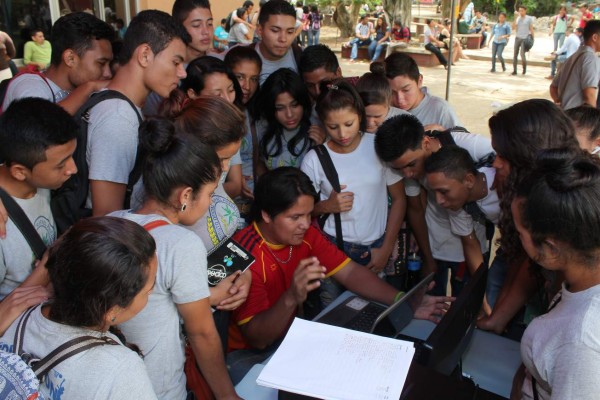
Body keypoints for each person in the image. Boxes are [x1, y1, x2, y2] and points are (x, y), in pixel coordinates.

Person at [227, 167, 452, 382]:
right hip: (248, 355)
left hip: (290, 337)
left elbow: (350, 272)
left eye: (308, 214)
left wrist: (403, 301)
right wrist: (291, 297)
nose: (305, 224)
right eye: (295, 217)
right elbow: (257, 339)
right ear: (266, 215)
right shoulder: (243, 254)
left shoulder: (305, 234)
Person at [110, 118, 242, 399]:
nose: (209, 204)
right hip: (158, 387)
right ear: (185, 195)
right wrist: (228, 395)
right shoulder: (181, 244)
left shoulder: (111, 222)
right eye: (208, 193)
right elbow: (202, 334)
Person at [0, 216, 159, 399]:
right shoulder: (121, 370)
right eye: (148, 289)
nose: (152, 291)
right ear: (111, 311)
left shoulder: (14, 312)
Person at [476, 99, 579, 334]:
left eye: (503, 155)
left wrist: (498, 318)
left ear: (527, 156)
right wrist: (497, 316)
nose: (496, 163)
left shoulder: (557, 205)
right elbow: (523, 258)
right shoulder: (534, 193)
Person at [301, 80, 405, 305]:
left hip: (376, 248)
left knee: (372, 314)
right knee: (333, 317)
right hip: (333, 250)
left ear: (360, 114)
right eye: (332, 127)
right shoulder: (314, 159)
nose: (342, 133)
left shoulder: (378, 145)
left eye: (349, 123)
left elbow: (398, 199)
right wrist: (326, 206)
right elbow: (300, 212)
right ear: (322, 123)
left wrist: (386, 247)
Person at [510, 149, 600, 400]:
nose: (520, 242)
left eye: (520, 234)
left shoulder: (581, 345)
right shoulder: (581, 282)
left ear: (550, 249)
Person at [374, 114, 493, 296]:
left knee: (465, 302)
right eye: (399, 169)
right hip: (435, 247)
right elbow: (416, 210)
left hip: (472, 246)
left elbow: (507, 157)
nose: (407, 174)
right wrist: (428, 256)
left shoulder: (467, 144)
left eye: (411, 164)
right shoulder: (409, 170)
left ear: (426, 143)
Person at [85, 10, 189, 218]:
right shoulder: (118, 117)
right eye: (175, 62)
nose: (182, 73)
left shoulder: (120, 107)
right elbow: (107, 215)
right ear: (144, 55)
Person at [0, 98, 77, 300]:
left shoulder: (39, 184)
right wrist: (47, 268)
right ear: (19, 172)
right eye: (60, 165)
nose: (73, 169)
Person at [2, 13, 115, 115]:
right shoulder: (29, 86)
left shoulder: (78, 91)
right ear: (70, 58)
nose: (108, 73)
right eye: (101, 63)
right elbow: (40, 131)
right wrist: (90, 87)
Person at [177, 56, 244, 199]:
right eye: (217, 94)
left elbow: (236, 185)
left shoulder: (230, 128)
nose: (227, 100)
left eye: (231, 90)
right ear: (192, 94)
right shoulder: (186, 135)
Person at [254, 68, 323, 171]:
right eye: (280, 108)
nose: (289, 114)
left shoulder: (317, 129)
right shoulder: (262, 128)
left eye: (295, 105)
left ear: (303, 102)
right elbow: (259, 165)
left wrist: (321, 147)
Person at [377, 52, 461, 127]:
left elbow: (461, 141)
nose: (400, 100)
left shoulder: (441, 110)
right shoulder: (381, 109)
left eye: (406, 90)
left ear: (419, 81)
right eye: (392, 93)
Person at [225, 46, 262, 199]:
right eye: (240, 77)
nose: (247, 86)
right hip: (224, 203)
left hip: (255, 202)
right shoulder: (218, 117)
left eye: (253, 79)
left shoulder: (259, 113)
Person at [550, 20, 600, 110]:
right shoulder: (591, 59)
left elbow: (553, 87)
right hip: (578, 119)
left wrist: (559, 102)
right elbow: (589, 95)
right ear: (595, 37)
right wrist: (594, 121)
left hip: (565, 115)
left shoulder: (573, 57)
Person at [254, 0, 300, 84]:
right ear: (259, 30)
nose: (283, 39)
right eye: (275, 30)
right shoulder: (237, 57)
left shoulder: (301, 57)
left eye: (289, 32)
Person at [512, 6, 534, 76]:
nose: (520, 12)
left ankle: (524, 68)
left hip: (525, 39)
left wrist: (533, 38)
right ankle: (514, 70)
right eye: (519, 11)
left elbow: (531, 29)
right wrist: (515, 18)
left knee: (522, 55)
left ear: (525, 11)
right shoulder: (518, 18)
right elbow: (513, 27)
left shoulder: (529, 19)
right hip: (517, 37)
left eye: (522, 10)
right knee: (515, 54)